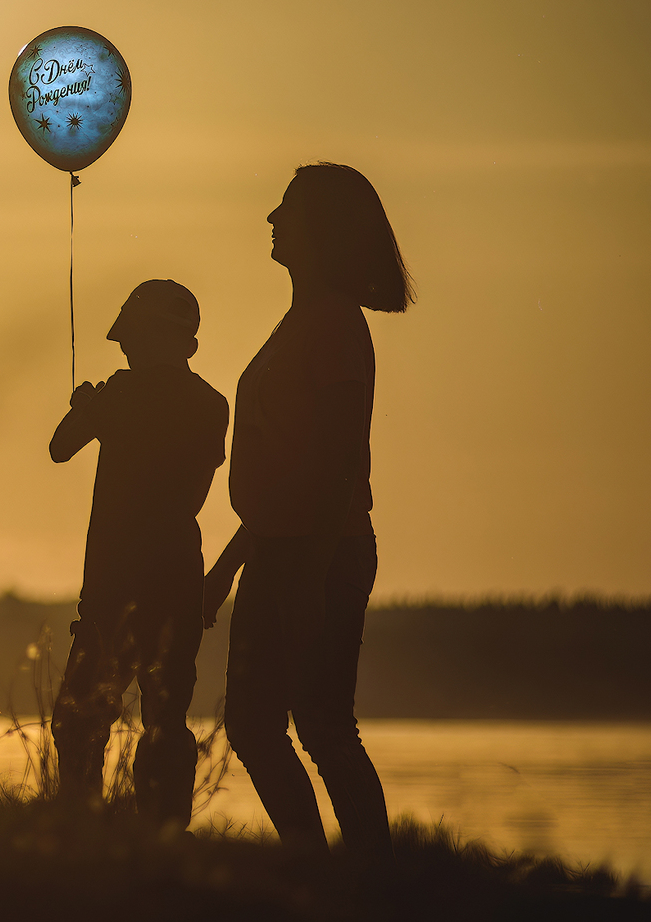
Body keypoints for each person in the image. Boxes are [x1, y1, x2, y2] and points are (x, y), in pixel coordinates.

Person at [202, 162, 413, 853]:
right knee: (268, 725)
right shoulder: (305, 321)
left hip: (316, 550)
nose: (271, 218)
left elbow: (337, 459)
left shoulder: (329, 324)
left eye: (286, 207)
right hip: (285, 547)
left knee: (314, 724)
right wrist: (229, 568)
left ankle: (361, 879)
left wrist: (309, 576)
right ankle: (326, 874)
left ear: (320, 227)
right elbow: (283, 477)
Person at [47, 279, 229, 828]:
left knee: (79, 718)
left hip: (116, 581)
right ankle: (163, 834)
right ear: (189, 346)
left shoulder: (120, 397)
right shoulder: (212, 404)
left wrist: (88, 407)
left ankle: (82, 833)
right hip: (177, 573)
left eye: (129, 341)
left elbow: (59, 448)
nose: (124, 351)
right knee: (166, 718)